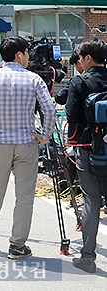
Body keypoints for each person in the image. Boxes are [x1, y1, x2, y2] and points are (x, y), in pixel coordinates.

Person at [0, 36, 56, 260]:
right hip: (27, 142)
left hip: (0, 142)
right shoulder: (34, 79)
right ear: (19, 54)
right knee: (24, 196)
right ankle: (17, 245)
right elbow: (49, 110)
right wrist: (44, 135)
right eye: (27, 52)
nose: (29, 57)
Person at [65, 40, 107, 273]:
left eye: (80, 57)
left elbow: (71, 115)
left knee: (91, 199)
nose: (78, 61)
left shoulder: (78, 82)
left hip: (88, 148)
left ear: (88, 58)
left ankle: (88, 257)